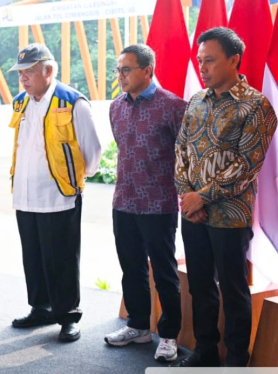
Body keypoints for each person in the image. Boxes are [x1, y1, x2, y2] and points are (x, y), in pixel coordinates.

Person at [170, 27, 277, 367]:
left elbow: (247, 165)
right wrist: (188, 196)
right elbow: (182, 149)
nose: (202, 67)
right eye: (200, 61)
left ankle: (235, 359)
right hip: (193, 212)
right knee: (200, 286)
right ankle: (205, 350)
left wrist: (203, 197)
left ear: (234, 60)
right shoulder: (197, 100)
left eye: (210, 60)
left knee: (233, 291)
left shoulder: (256, 106)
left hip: (230, 216)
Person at [7, 44, 101, 342]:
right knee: (32, 256)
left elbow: (93, 151)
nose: (23, 78)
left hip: (59, 195)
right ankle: (41, 308)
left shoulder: (73, 101)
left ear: (48, 71)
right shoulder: (21, 102)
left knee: (62, 259)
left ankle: (68, 315)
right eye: (21, 72)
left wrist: (74, 180)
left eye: (29, 71)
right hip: (25, 195)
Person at [104, 44, 186, 362]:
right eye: (118, 70)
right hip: (123, 201)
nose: (120, 76)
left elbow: (187, 155)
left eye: (126, 69)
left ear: (147, 70)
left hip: (159, 204)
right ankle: (138, 326)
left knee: (164, 272)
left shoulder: (173, 106)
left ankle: (168, 336)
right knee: (131, 268)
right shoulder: (115, 107)